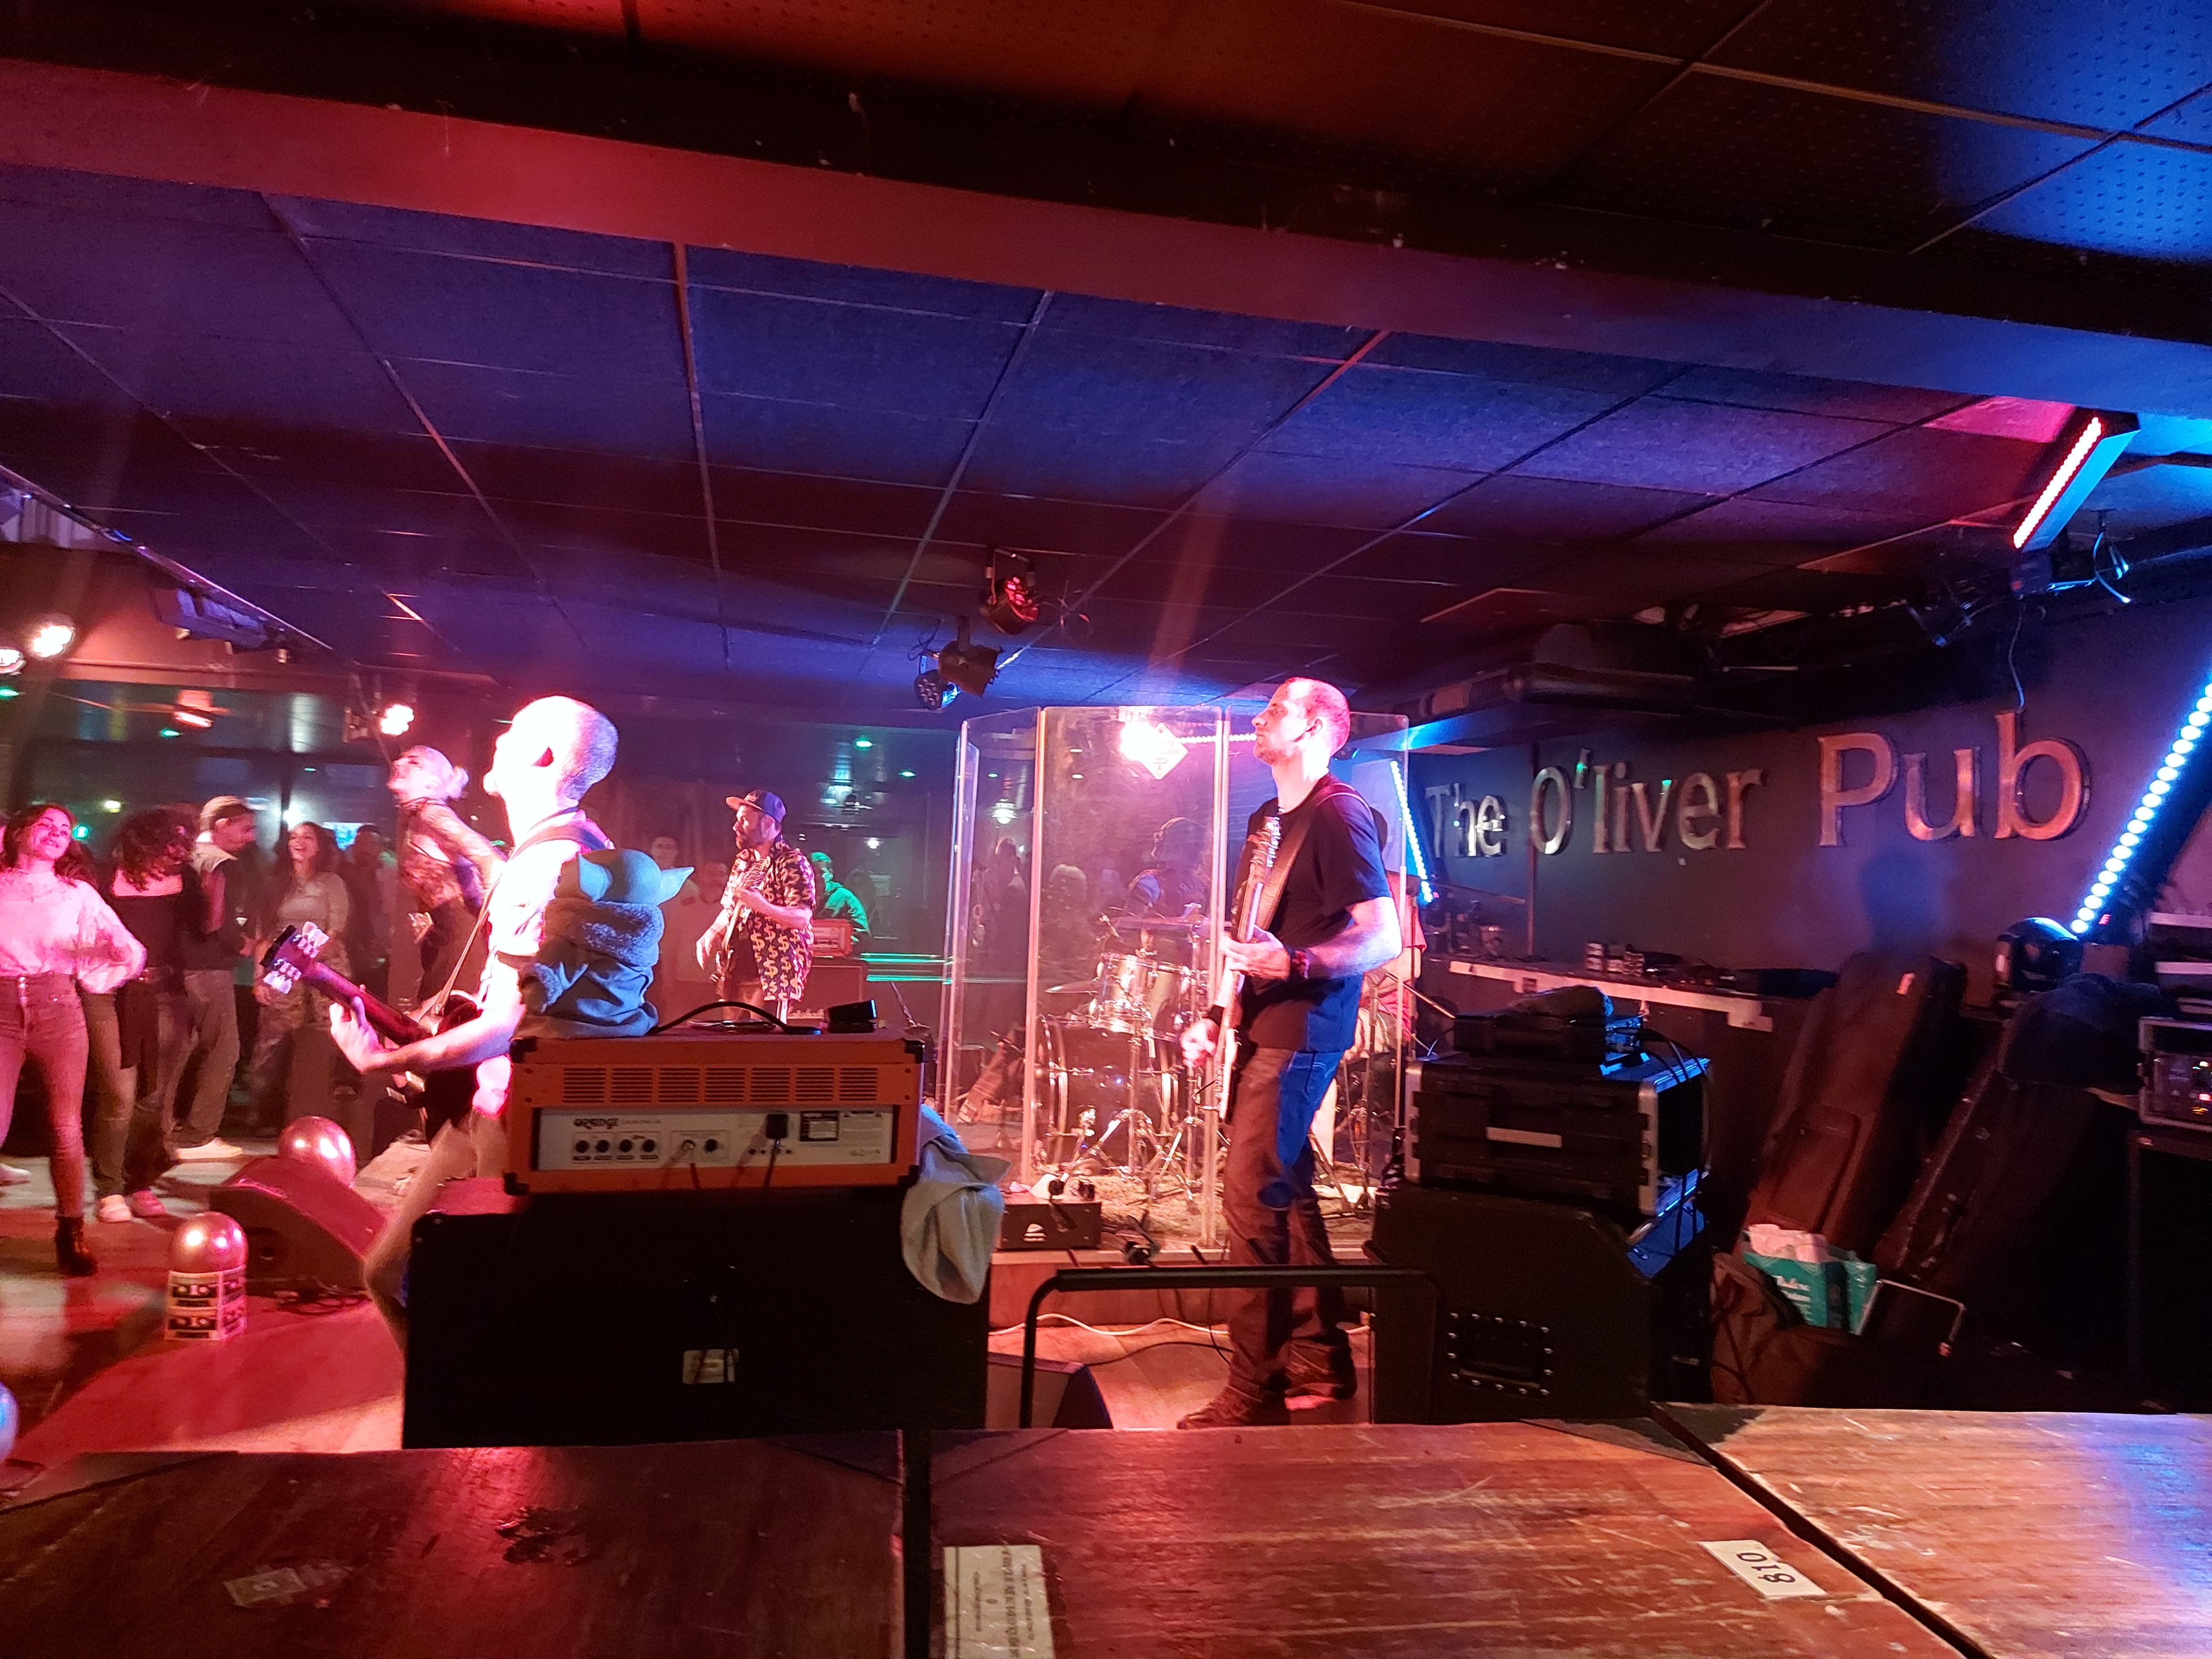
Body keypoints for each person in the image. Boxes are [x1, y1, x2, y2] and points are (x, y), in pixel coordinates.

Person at [329, 695, 623, 1345]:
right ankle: (442, 1402)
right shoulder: (580, 846)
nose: (499, 740)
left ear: (541, 754)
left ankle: (468, 1406)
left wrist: (382, 1059)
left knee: (481, 1299)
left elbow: (504, 1026)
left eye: (513, 732)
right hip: (504, 1097)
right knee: (392, 1272)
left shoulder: (547, 866)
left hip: (517, 1109)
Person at [1177, 678, 1400, 1429]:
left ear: (1316, 729)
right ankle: (1319, 1358)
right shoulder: (1268, 819)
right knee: (1289, 1191)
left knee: (1250, 1199)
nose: (1258, 719)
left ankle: (1255, 1390)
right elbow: (1249, 935)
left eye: (1275, 710)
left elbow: (1383, 936)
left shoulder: (1339, 814)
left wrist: (1297, 964)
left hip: (1304, 1030)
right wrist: (1217, 1013)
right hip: (1261, 1025)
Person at [0, 803, 145, 1275]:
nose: (56, 833)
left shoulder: (76, 894)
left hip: (58, 1008)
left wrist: (115, 951)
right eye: (45, 824)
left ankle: (71, 1230)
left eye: (63, 829)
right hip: (1, 1009)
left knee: (65, 1127)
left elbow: (124, 947)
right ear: (18, 833)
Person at [88, 808, 207, 1223]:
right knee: (119, 1096)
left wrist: (216, 885)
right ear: (144, 841)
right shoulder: (106, 877)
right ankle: (109, 1188)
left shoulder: (186, 880)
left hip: (164, 993)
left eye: (183, 843)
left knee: (154, 1098)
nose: (178, 850)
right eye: (171, 842)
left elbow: (205, 931)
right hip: (110, 993)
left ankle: (138, 1181)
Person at [247, 821, 350, 1128]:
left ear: (319, 846)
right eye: (294, 837)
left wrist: (307, 959)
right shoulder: (276, 883)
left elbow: (336, 929)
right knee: (273, 1037)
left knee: (327, 1035)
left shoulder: (332, 882)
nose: (299, 842)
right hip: (283, 966)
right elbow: (264, 935)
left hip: (326, 967)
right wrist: (259, 978)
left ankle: (317, 1109)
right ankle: (262, 1110)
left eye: (308, 837)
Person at [174, 796, 258, 1159]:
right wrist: (241, 943)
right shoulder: (222, 863)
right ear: (222, 825)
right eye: (245, 829)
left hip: (176, 967)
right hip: (210, 968)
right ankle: (199, 1136)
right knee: (224, 1051)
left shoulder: (183, 856)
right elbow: (216, 920)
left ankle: (159, 1130)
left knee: (177, 1052)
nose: (251, 837)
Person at [389, 746, 503, 1008]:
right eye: (402, 758)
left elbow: (490, 858)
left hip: (461, 938)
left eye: (415, 762)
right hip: (446, 935)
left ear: (433, 783)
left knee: (448, 1015)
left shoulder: (432, 812)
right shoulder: (417, 816)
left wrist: (499, 917)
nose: (399, 763)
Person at [694, 789, 814, 1021]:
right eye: (737, 820)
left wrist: (763, 905)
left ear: (768, 823)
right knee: (731, 1036)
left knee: (762, 1038)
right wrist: (711, 933)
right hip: (735, 971)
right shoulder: (743, 861)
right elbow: (730, 909)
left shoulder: (792, 862)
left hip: (771, 973)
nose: (736, 827)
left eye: (745, 820)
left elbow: (802, 918)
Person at [808, 849, 871, 938]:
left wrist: (840, 941)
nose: (817, 877)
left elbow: (862, 934)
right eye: (813, 872)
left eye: (821, 872)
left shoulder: (845, 897)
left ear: (831, 874)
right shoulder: (796, 897)